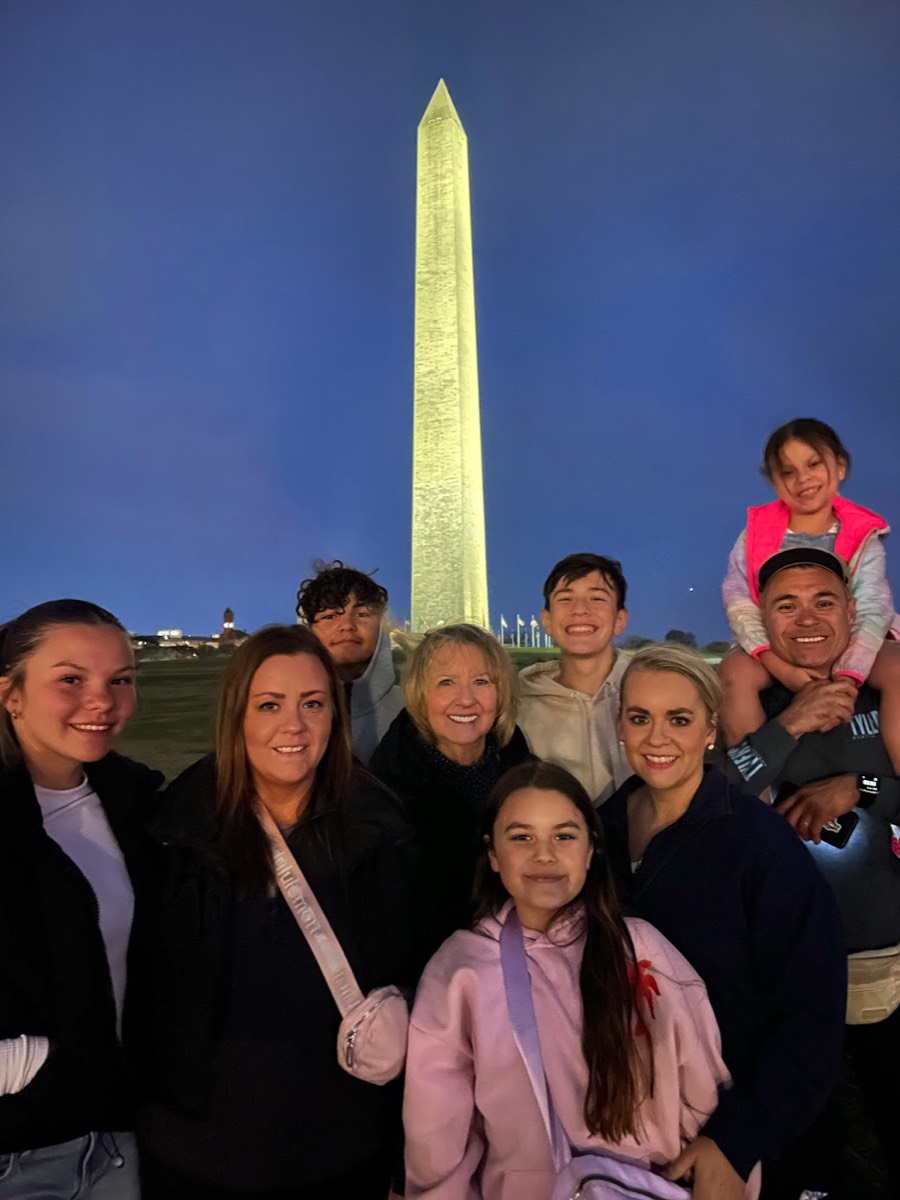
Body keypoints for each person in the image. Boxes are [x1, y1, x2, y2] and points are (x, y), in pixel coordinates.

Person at [135, 625, 415, 1199]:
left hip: (344, 1149)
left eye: (313, 703)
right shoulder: (173, 834)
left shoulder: (382, 831)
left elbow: (412, 976)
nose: (294, 725)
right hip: (197, 1152)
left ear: (335, 715)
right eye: (270, 705)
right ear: (237, 717)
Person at [404, 760, 757, 1200]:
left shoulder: (641, 948)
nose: (544, 854)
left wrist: (727, 1166)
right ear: (493, 854)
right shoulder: (460, 971)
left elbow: (702, 1084)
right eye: (521, 837)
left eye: (564, 836)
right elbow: (438, 1133)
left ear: (591, 851)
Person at [600, 643, 846, 1199]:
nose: (657, 738)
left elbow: (812, 1014)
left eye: (679, 719)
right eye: (640, 718)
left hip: (744, 1135)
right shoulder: (599, 833)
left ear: (710, 728)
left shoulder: (761, 845)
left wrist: (737, 1140)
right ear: (620, 724)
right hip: (636, 1129)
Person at [723, 546, 900, 1198]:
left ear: (852, 611)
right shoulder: (747, 691)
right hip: (784, 969)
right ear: (760, 618)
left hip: (885, 956)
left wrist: (859, 784)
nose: (807, 619)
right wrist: (790, 723)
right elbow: (724, 796)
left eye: (824, 601)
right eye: (786, 605)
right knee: (807, 1155)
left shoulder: (884, 684)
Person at [0, 599, 162, 1199]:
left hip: (119, 1137)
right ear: (10, 693)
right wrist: (26, 1063)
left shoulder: (139, 805)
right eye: (71, 680)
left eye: (120, 680)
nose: (103, 700)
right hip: (17, 1151)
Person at [720, 417, 900, 770]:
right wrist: (776, 663)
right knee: (734, 674)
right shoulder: (756, 533)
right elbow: (738, 598)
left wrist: (848, 677)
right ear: (774, 481)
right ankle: (756, 798)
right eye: (787, 472)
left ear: (841, 466)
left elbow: (871, 607)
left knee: (897, 667)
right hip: (773, 643)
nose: (802, 479)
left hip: (855, 640)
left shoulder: (864, 535)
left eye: (813, 464)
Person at [370, 623, 530, 958]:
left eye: (482, 681)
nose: (466, 699)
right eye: (446, 682)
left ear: (501, 693)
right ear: (419, 693)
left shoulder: (527, 777)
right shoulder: (381, 798)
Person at [517, 553, 631, 804]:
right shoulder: (517, 707)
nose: (580, 610)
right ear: (546, 620)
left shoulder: (653, 693)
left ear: (620, 619)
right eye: (566, 599)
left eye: (597, 598)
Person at [297, 559, 403, 762]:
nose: (347, 625)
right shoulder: (288, 713)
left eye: (362, 614)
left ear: (381, 626)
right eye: (329, 616)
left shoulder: (415, 710)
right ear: (310, 630)